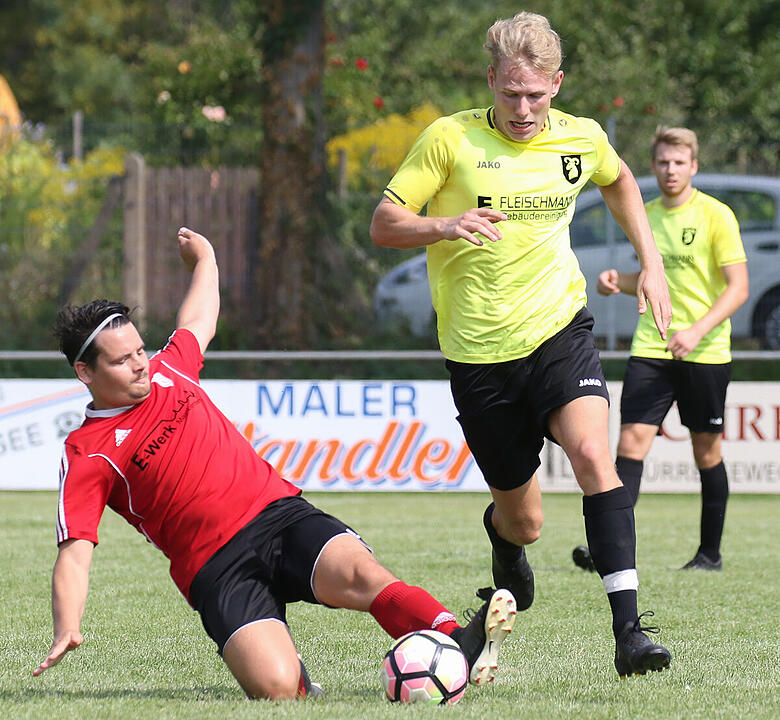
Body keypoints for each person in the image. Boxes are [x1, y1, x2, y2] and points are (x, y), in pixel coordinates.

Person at [33, 227, 518, 698]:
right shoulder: (87, 451)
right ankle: (295, 673)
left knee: (364, 576)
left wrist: (206, 260)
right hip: (215, 567)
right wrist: (67, 625)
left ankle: (459, 640)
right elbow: (75, 551)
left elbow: (198, 318)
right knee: (277, 689)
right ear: (85, 371)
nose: (141, 363)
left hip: (279, 517)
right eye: (122, 360)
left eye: (141, 349)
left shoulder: (170, 371)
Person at [370, 12, 673, 677]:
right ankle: (506, 551)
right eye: (510, 93)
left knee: (594, 454)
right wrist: (446, 224)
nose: (523, 109)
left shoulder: (581, 138)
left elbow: (620, 180)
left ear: (556, 85)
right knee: (524, 522)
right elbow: (385, 223)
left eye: (535, 94)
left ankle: (629, 634)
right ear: (491, 81)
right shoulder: (449, 139)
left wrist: (650, 263)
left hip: (559, 329)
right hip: (479, 356)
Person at [572, 126, 749, 573]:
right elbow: (652, 279)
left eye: (679, 162)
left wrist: (697, 331)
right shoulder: (645, 215)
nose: (671, 170)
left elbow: (738, 288)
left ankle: (709, 554)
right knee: (630, 443)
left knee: (706, 451)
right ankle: (608, 550)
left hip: (704, 352)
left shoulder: (716, 216)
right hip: (652, 345)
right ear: (653, 167)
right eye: (664, 162)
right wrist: (619, 282)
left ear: (694, 166)